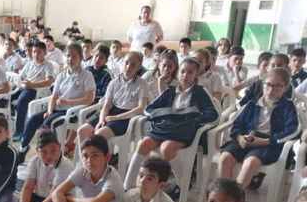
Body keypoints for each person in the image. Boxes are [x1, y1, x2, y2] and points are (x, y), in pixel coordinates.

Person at [124, 58, 219, 190]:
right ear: (178, 72)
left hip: (183, 133)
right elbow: (149, 108)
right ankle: (127, 186)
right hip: (164, 129)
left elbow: (213, 115)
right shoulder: (170, 91)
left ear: (196, 75)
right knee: (142, 144)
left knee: (166, 148)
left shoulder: (200, 92)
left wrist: (194, 119)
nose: (185, 75)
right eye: (183, 71)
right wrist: (163, 116)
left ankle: (182, 184)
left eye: (190, 72)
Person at [218, 68, 299, 188]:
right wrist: (240, 137)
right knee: (225, 158)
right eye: (268, 85)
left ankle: (235, 198)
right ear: (263, 85)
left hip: (270, 144)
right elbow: (236, 125)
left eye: (277, 87)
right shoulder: (252, 104)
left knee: (250, 162)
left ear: (285, 88)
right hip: (248, 139)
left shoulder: (288, 106)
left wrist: (266, 141)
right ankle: (224, 194)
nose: (271, 90)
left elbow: (293, 131)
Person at [18, 42, 96, 162]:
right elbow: (54, 97)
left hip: (72, 111)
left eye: (74, 56)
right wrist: (49, 110)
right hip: (58, 108)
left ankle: (53, 157)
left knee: (49, 123)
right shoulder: (62, 76)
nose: (70, 59)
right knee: (33, 119)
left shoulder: (87, 75)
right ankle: (22, 151)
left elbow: (89, 99)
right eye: (68, 56)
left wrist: (67, 101)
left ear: (81, 58)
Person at [78, 51, 149, 146]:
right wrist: (101, 120)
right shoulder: (114, 82)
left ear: (139, 67)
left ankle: (102, 159)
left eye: (133, 65)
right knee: (82, 131)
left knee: (99, 135)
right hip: (111, 111)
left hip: (127, 117)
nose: (128, 67)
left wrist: (116, 118)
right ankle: (85, 159)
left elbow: (141, 108)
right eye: (126, 63)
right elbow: (106, 105)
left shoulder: (142, 84)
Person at [12, 40, 55, 140]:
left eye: (38, 52)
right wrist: (23, 84)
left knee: (22, 101)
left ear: (45, 52)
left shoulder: (48, 65)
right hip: (25, 87)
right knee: (7, 97)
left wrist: (32, 84)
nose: (35, 54)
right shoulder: (30, 64)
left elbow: (49, 81)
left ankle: (19, 131)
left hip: (36, 90)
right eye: (34, 51)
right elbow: (20, 77)